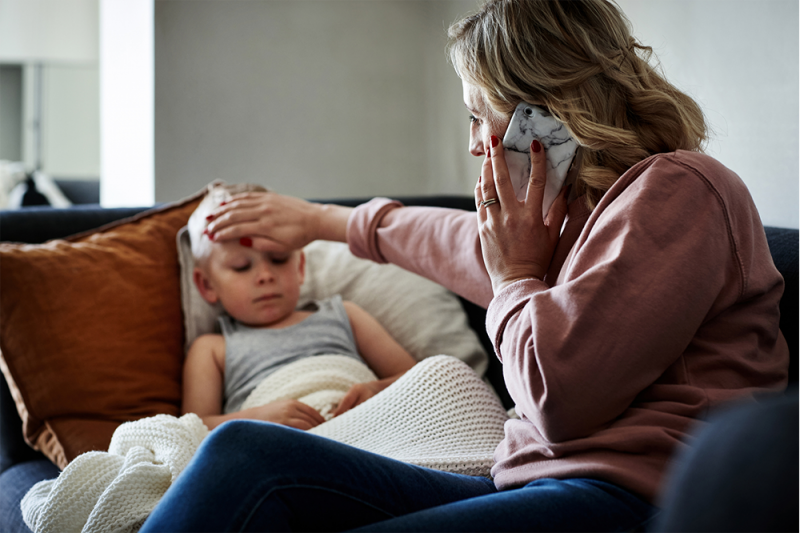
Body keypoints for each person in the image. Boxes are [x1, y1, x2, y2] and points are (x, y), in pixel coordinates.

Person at [141, 0, 789, 531]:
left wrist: (515, 277)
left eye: (480, 113)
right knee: (243, 454)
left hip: (626, 498)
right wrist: (322, 220)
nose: (475, 141)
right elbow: (453, 243)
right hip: (527, 484)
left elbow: (560, 398)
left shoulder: (680, 191)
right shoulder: (569, 219)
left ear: (547, 105)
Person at [183, 185, 417, 430]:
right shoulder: (212, 349)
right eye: (242, 266)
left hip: (365, 431)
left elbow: (421, 378)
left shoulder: (345, 315)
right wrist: (256, 419)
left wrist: (376, 391)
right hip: (277, 446)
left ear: (300, 267)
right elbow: (190, 430)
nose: (265, 275)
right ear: (207, 285)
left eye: (279, 259)